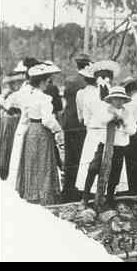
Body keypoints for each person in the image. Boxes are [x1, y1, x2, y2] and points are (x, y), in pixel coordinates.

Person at [16, 63, 65, 206]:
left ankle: (31, 193)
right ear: (42, 82)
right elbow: (47, 119)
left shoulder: (28, 95)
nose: (47, 84)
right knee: (43, 163)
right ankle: (43, 196)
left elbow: (24, 116)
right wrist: (57, 129)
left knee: (32, 162)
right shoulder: (44, 98)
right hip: (41, 132)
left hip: (31, 130)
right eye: (47, 81)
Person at [76, 60, 126, 194]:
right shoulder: (90, 95)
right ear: (96, 79)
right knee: (92, 165)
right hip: (95, 133)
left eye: (106, 77)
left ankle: (108, 194)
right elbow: (86, 118)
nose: (104, 80)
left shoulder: (116, 95)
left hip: (112, 133)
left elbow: (122, 113)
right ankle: (88, 194)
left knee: (112, 163)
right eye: (101, 77)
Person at [82, 86, 137, 207]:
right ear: (111, 100)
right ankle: (85, 197)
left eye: (121, 99)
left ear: (124, 100)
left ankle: (110, 199)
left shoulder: (128, 113)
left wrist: (123, 122)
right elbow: (95, 122)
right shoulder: (104, 110)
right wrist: (112, 118)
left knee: (114, 174)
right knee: (93, 168)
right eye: (115, 99)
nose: (118, 101)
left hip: (119, 147)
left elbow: (133, 130)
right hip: (104, 145)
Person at [61, 53, 92, 201]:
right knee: (81, 157)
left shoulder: (70, 80)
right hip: (81, 124)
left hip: (68, 123)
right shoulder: (87, 82)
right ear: (87, 65)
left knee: (70, 158)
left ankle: (68, 191)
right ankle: (78, 191)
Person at [8, 58, 42, 188]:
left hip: (26, 126)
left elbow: (10, 103)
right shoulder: (28, 90)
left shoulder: (25, 90)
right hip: (28, 125)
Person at [0, 71, 26, 180]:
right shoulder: (9, 94)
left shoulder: (16, 94)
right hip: (10, 122)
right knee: (7, 143)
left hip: (14, 121)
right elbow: (6, 107)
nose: (15, 85)